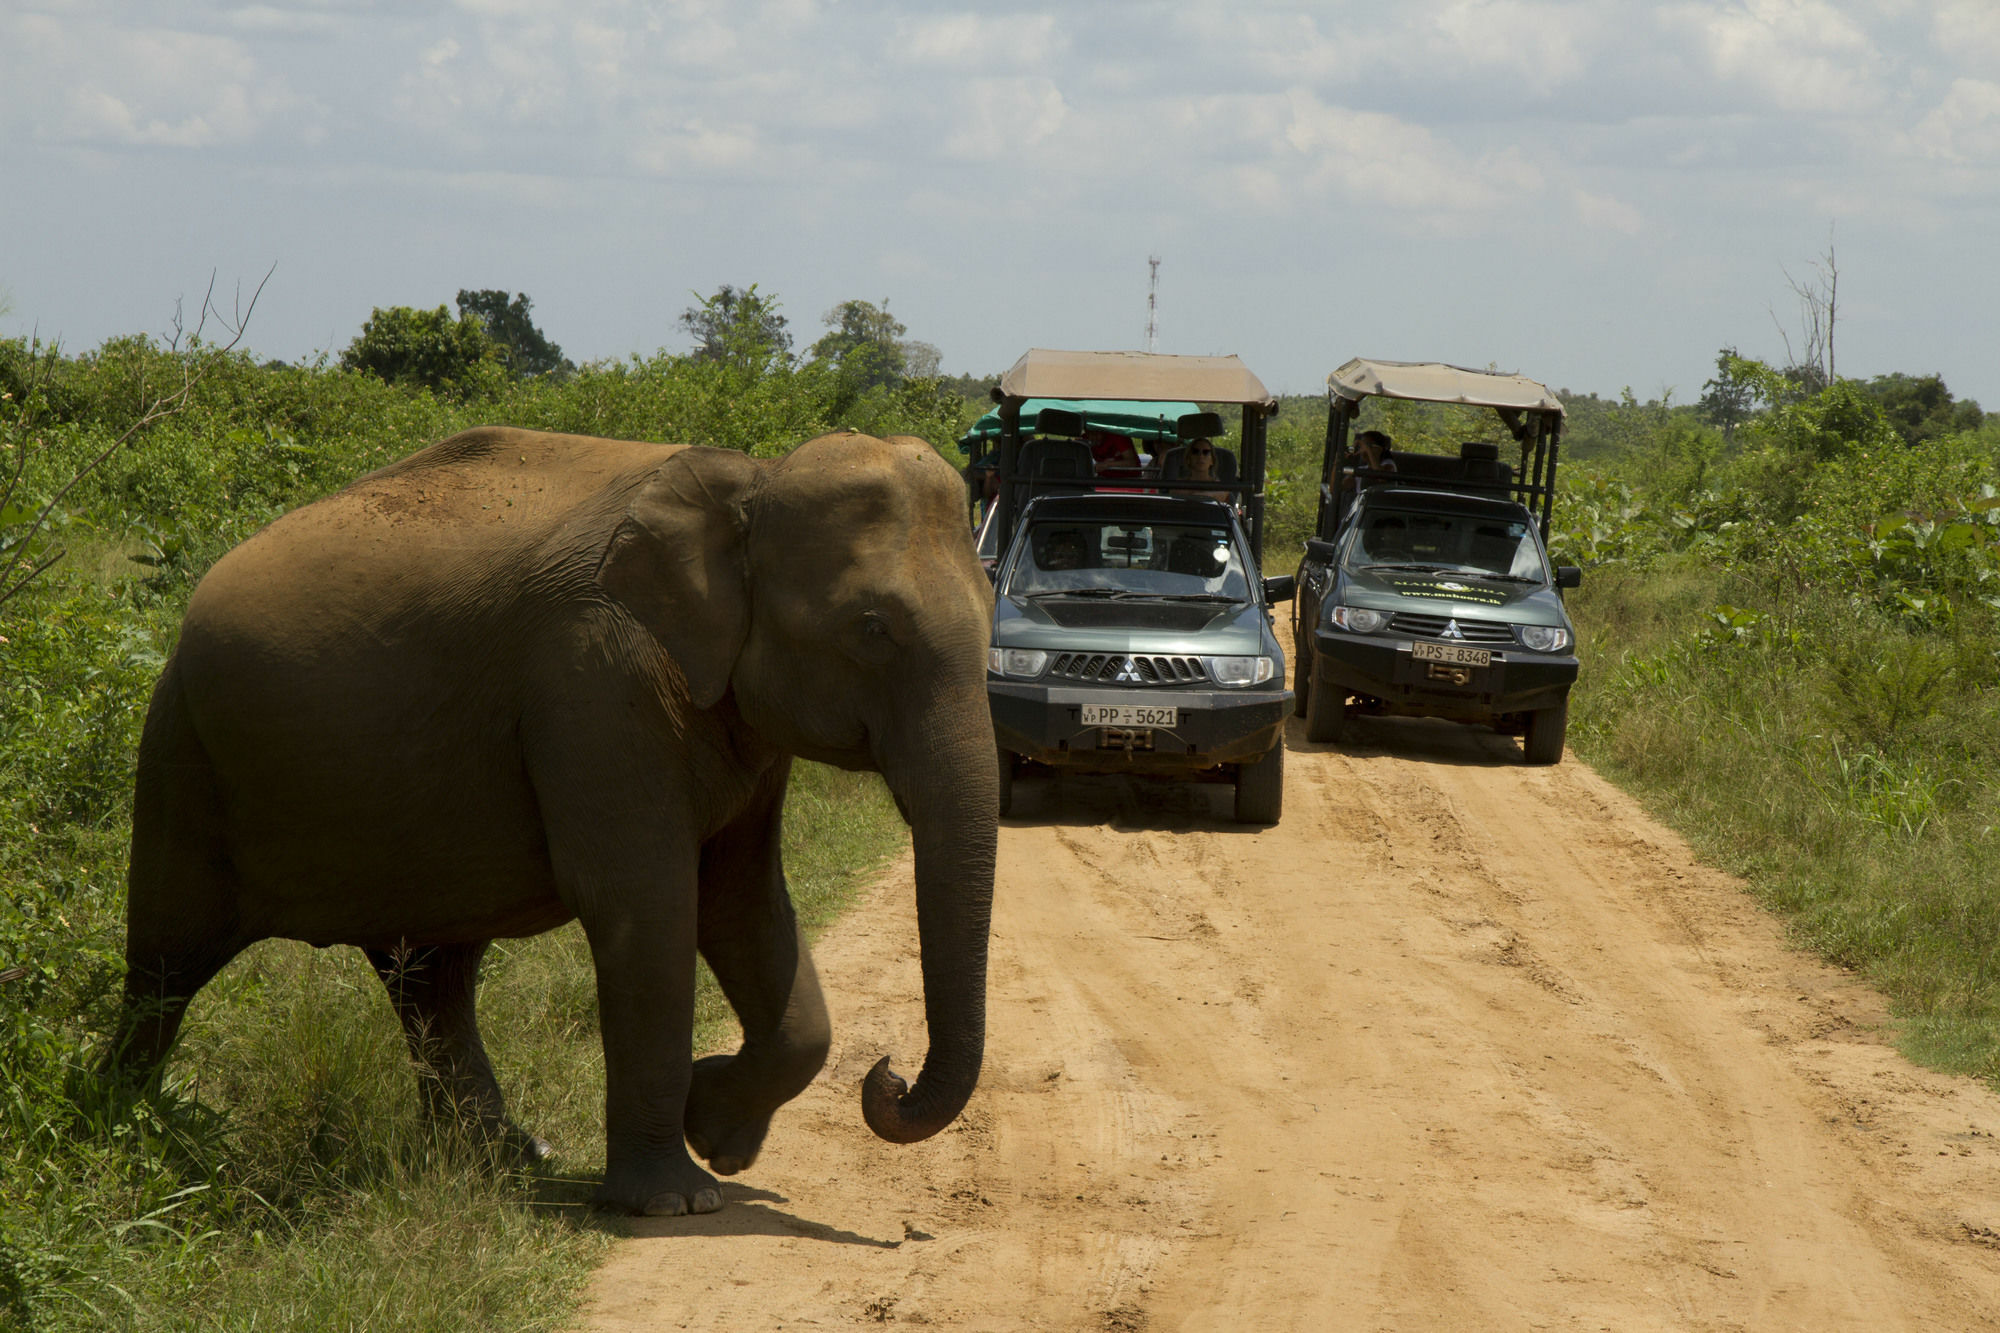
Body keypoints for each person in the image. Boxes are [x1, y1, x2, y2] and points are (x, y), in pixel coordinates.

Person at [1180, 438, 1231, 503]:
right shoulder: (1177, 486)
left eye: (1206, 452)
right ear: (1188, 459)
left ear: (1212, 460)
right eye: (1195, 451)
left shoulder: (1221, 489)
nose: (1200, 456)